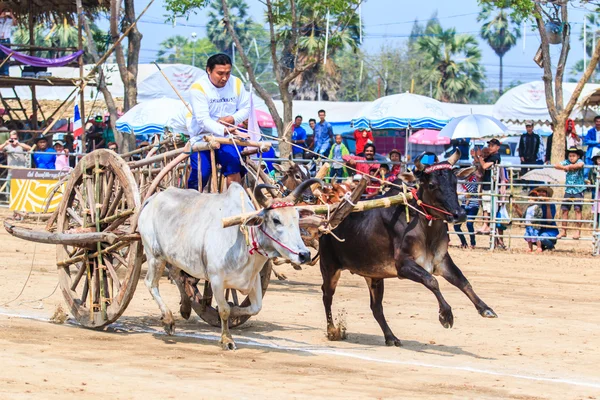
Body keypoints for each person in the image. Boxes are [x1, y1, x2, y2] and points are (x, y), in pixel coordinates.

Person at [188, 53, 250, 190]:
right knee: (201, 173)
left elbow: (246, 109)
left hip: (228, 138)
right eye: (220, 73)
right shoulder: (198, 88)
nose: (224, 78)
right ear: (208, 70)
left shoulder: (237, 83)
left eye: (228, 73)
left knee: (234, 164)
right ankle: (190, 199)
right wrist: (224, 128)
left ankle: (235, 203)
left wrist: (232, 119)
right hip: (202, 138)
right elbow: (202, 120)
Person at [555, 147, 585, 239]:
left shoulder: (580, 161)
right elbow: (556, 165)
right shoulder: (566, 162)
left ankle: (578, 232)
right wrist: (564, 167)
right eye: (570, 156)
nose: (571, 158)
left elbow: (580, 165)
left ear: (578, 156)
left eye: (573, 156)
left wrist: (569, 167)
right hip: (568, 189)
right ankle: (563, 230)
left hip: (578, 189)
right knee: (564, 210)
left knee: (578, 210)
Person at [474, 139, 501, 234]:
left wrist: (479, 156)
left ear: (498, 147)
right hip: (486, 183)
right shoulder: (490, 156)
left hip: (491, 185)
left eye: (492, 146)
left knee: (490, 206)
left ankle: (488, 225)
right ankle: (485, 225)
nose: (490, 147)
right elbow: (481, 164)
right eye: (489, 145)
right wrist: (476, 156)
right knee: (485, 206)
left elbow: (485, 166)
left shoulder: (496, 156)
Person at [454, 170, 480, 249]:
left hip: (473, 205)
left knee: (469, 224)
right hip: (464, 204)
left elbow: (471, 191)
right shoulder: (464, 181)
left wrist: (463, 182)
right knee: (456, 226)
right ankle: (464, 242)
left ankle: (472, 243)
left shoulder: (474, 180)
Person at [534, 186, 559, 251]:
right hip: (539, 230)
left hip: (549, 230)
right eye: (539, 191)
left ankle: (550, 245)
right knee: (528, 236)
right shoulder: (535, 205)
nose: (541, 193)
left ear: (547, 194)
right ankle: (542, 245)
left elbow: (549, 221)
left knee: (542, 238)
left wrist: (547, 206)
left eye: (543, 192)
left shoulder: (551, 205)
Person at [0, 9, 14, 76]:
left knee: (7, 57)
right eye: (4, 12)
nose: (5, 13)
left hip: (6, 40)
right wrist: (0, 16)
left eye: (6, 12)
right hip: (0, 40)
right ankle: (0, 72)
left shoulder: (10, 21)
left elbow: (15, 23)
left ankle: (6, 73)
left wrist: (12, 15)